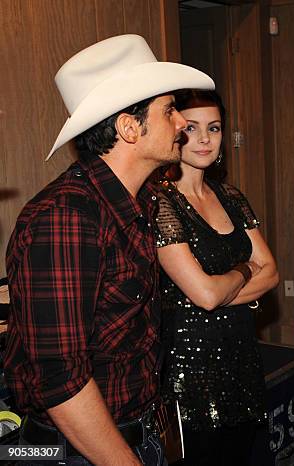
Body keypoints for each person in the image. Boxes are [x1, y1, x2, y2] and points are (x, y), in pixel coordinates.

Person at [4, 34, 214, 465]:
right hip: (79, 452)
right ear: (129, 127)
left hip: (134, 437)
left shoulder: (141, 202)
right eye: (170, 110)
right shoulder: (66, 217)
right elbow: (61, 381)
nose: (182, 124)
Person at [154, 89, 279, 465]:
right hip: (189, 375)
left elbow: (271, 273)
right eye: (192, 128)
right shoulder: (161, 202)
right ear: (175, 132)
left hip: (240, 364)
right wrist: (244, 270)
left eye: (215, 128)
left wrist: (213, 289)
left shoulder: (232, 197)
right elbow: (205, 295)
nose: (205, 138)